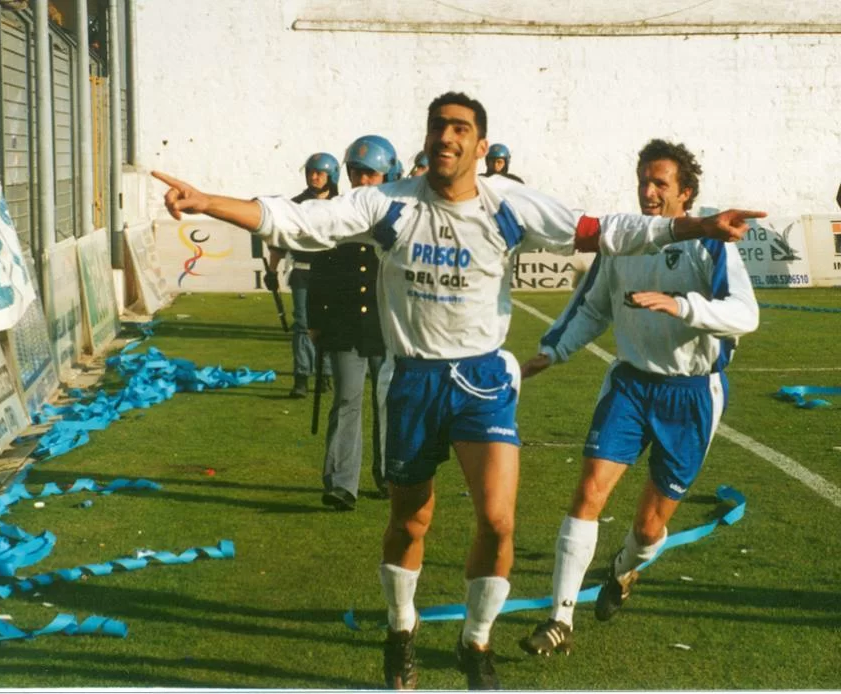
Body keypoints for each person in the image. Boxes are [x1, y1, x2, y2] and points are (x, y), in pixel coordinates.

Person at [152, 91, 764, 690]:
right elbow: (295, 220)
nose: (447, 137)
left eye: (460, 129)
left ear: (479, 144)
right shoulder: (387, 205)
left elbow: (601, 229)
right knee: (409, 521)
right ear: (426, 138)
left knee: (498, 522)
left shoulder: (508, 204)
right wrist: (207, 202)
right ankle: (401, 629)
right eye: (438, 126)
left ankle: (476, 642)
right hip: (414, 380)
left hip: (482, 381)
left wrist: (699, 226)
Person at [518, 139, 760, 657]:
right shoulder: (623, 240)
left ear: (685, 193)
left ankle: (625, 567)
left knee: (650, 529)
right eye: (643, 181)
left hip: (691, 395)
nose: (648, 192)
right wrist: (553, 350)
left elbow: (746, 315)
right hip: (629, 385)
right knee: (589, 491)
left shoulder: (712, 244)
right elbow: (591, 308)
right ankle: (560, 619)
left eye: (660, 183)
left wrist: (682, 306)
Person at [310, 135, 399, 511]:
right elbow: (319, 273)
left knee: (387, 402)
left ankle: (389, 475)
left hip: (386, 327)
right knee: (346, 400)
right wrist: (316, 321)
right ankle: (341, 483)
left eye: (371, 174)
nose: (363, 180)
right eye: (357, 173)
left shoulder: (401, 216)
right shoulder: (337, 213)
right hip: (345, 327)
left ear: (387, 176)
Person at [263, 152, 338, 398]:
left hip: (333, 275)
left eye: (319, 173)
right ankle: (302, 377)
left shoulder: (341, 205)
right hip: (303, 273)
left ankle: (325, 374)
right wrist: (272, 271)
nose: (314, 177)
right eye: (310, 173)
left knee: (330, 324)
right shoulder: (295, 205)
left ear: (331, 176)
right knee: (303, 325)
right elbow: (279, 243)